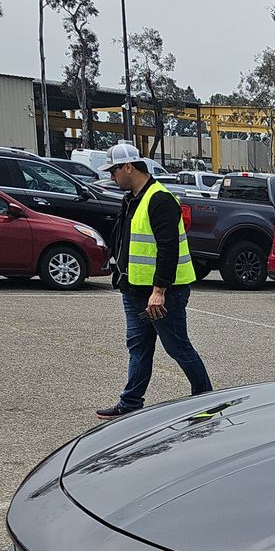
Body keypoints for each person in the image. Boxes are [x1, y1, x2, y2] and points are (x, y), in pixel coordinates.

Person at [94, 142, 212, 419]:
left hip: (163, 292)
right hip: (134, 288)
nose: (112, 176)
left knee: (177, 347)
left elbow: (168, 248)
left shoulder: (160, 199)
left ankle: (207, 400)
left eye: (114, 171)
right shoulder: (131, 199)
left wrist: (159, 290)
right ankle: (130, 403)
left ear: (128, 167)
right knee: (138, 346)